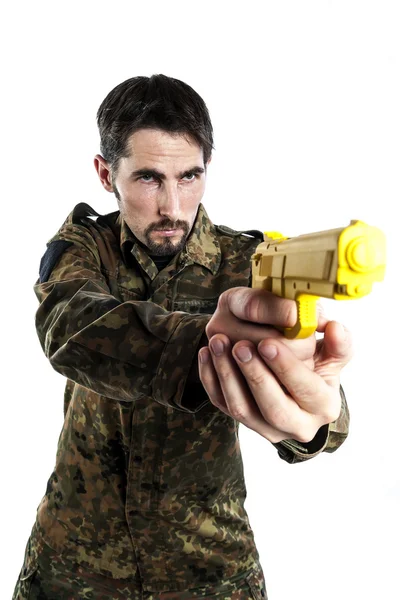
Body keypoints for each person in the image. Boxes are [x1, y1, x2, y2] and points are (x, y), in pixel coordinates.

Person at [13, 74, 351, 600]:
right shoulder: (86, 247)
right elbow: (68, 324)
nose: (173, 205)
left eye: (189, 176)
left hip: (210, 570)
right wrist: (200, 346)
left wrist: (312, 421)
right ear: (106, 174)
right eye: (149, 179)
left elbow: (319, 412)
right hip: (74, 564)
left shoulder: (249, 263)